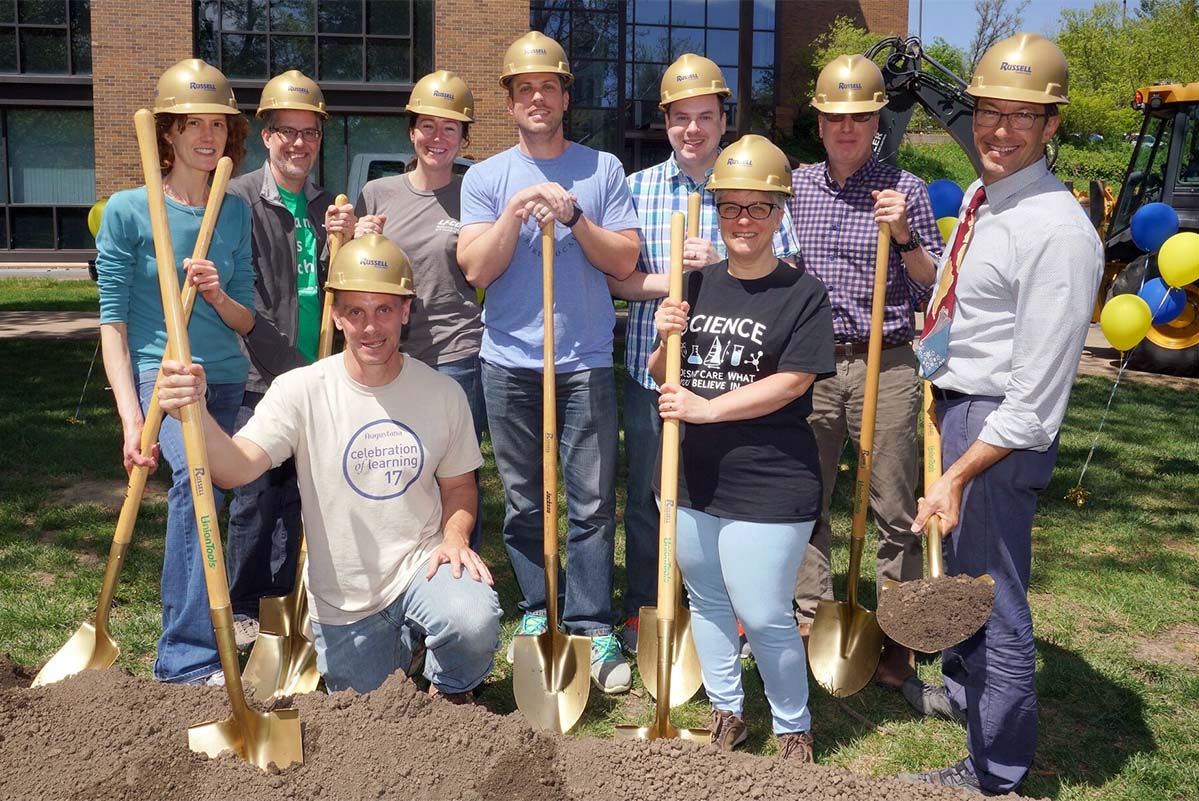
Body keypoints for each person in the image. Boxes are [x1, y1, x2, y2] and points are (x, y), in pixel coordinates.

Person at [155, 235, 502, 698]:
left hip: (421, 566)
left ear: (405, 310)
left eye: (383, 310)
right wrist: (193, 411)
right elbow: (234, 469)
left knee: (472, 619)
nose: (370, 327)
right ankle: (408, 651)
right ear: (336, 315)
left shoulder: (442, 393)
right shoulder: (301, 390)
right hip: (344, 601)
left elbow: (460, 487)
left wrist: (455, 538)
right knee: (368, 713)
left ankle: (453, 686)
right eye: (355, 312)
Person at [899, 34, 1103, 795]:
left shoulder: (1056, 232)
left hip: (996, 435)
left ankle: (995, 770)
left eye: (1022, 117)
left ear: (1051, 126)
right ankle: (968, 703)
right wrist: (933, 363)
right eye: (989, 111)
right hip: (961, 408)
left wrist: (955, 472)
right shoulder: (988, 198)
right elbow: (964, 307)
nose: (1000, 130)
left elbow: (1035, 403)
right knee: (963, 582)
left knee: (991, 601)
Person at [457, 31, 641, 694]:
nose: (537, 98)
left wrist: (574, 217)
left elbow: (622, 261)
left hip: (583, 361)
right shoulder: (484, 178)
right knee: (526, 501)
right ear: (510, 102)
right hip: (508, 361)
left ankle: (591, 625)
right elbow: (476, 265)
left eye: (548, 87)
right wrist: (512, 212)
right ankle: (539, 613)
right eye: (524, 89)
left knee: (591, 500)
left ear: (566, 95)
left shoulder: (601, 171)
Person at [650, 135, 834, 762]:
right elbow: (664, 374)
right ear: (717, 211)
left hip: (770, 475)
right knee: (706, 599)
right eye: (731, 208)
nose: (744, 221)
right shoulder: (695, 284)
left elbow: (794, 382)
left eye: (758, 208)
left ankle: (792, 725)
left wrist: (709, 409)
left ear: (780, 212)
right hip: (691, 472)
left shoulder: (803, 294)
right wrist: (661, 337)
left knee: (761, 611)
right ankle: (729, 711)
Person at [610, 53, 799, 655]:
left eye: (704, 117)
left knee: (724, 497)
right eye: (680, 117)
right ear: (665, 122)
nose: (692, 129)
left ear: (723, 120)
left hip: (732, 380)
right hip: (658, 375)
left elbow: (788, 271)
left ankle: (728, 615)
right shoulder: (637, 190)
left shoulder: (754, 186)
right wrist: (670, 280)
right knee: (651, 498)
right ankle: (649, 606)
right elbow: (619, 280)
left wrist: (717, 270)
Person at [95, 58, 254, 685]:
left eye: (217, 124)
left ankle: (199, 643)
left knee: (212, 498)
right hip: (163, 378)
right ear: (166, 132)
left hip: (225, 379)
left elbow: (244, 320)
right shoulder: (129, 212)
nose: (207, 137)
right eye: (192, 124)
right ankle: (187, 656)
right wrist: (134, 420)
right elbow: (113, 326)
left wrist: (216, 295)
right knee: (197, 496)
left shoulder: (231, 209)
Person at [788, 54, 944, 686]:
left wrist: (904, 237)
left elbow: (933, 284)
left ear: (877, 120)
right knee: (806, 497)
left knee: (893, 503)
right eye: (834, 118)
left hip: (890, 363)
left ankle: (899, 634)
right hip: (815, 365)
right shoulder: (795, 187)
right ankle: (810, 620)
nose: (846, 128)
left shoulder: (904, 189)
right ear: (819, 124)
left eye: (858, 117)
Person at [225, 70, 355, 651]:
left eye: (310, 133)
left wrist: (346, 245)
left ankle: (282, 606)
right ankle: (242, 607)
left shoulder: (329, 208)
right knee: (254, 493)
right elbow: (244, 297)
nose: (299, 144)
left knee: (298, 496)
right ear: (266, 135)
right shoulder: (239, 201)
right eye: (288, 132)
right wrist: (290, 370)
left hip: (316, 373)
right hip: (263, 374)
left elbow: (343, 295)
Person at [353, 69, 486, 550]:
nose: (438, 138)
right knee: (395, 462)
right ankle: (401, 558)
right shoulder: (379, 194)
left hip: (457, 351)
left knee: (456, 467)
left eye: (451, 128)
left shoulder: (475, 194)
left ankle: (459, 561)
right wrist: (356, 238)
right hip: (390, 353)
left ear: (464, 137)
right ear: (411, 132)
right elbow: (358, 273)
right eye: (427, 126)